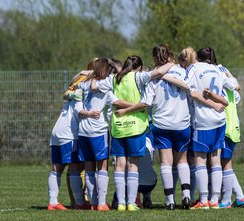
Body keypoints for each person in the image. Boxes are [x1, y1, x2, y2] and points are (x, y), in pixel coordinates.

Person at [92, 55, 174, 211]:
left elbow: (94, 87)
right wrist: (170, 62)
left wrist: (91, 73)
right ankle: (131, 203)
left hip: (118, 127)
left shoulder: (114, 78)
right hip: (136, 126)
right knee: (133, 166)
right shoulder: (138, 76)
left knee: (119, 165)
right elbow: (158, 72)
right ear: (138, 67)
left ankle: (121, 203)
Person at [116, 45, 192, 210]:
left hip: (162, 123)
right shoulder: (181, 70)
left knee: (166, 161)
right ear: (170, 55)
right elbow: (190, 89)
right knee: (182, 160)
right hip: (182, 122)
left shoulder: (151, 78)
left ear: (154, 57)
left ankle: (170, 200)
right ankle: (186, 196)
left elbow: (147, 102)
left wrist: (128, 109)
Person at [178, 47, 238, 210]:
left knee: (200, 161)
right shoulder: (217, 70)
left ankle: (203, 200)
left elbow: (191, 91)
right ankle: (214, 200)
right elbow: (233, 85)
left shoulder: (194, 69)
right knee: (216, 161)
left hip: (203, 121)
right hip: (220, 120)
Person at [76, 58, 134, 211]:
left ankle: (94, 203)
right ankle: (102, 203)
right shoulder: (106, 87)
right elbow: (117, 101)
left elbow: (77, 100)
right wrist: (136, 105)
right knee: (102, 167)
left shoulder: (83, 85)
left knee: (88, 167)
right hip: (98, 131)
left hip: (83, 131)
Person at [199, 48, 244, 208]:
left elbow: (228, 97)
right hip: (233, 125)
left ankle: (227, 200)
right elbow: (237, 89)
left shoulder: (213, 77)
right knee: (221, 163)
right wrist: (228, 73)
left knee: (224, 164)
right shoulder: (223, 74)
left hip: (224, 125)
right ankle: (239, 197)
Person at [47, 59, 97, 210]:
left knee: (57, 168)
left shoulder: (73, 90)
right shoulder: (84, 92)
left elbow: (67, 92)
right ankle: (80, 203)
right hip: (69, 133)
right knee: (75, 167)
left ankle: (53, 201)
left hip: (57, 131)